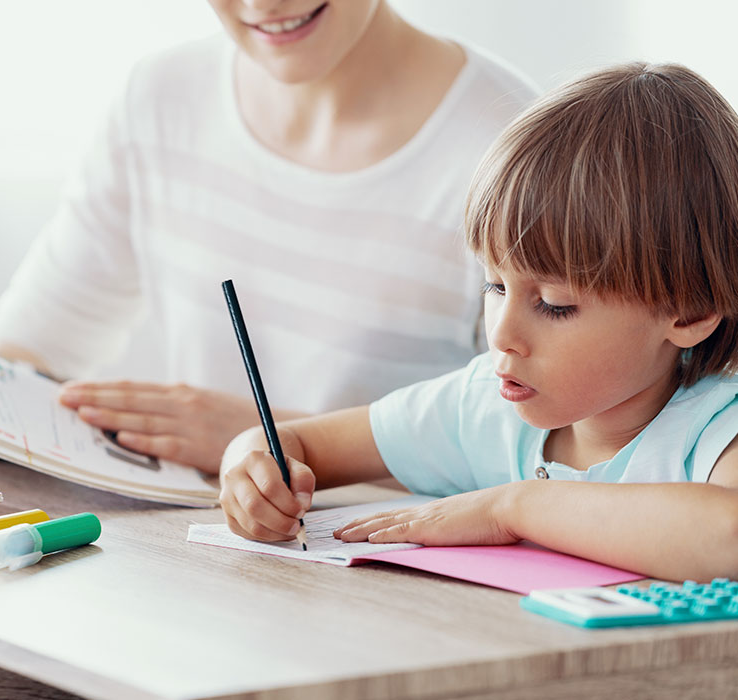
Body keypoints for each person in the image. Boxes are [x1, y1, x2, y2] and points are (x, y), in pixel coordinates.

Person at [218, 62, 738, 582]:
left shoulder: (716, 431)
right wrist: (251, 469)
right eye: (495, 286)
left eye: (554, 304)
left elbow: (728, 538)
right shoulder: (482, 407)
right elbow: (295, 443)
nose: (501, 335)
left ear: (690, 311)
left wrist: (513, 508)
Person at [0, 0, 537, 474]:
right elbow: (30, 342)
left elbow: (542, 460)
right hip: (199, 556)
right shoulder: (159, 100)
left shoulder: (515, 153)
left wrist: (269, 437)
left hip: (393, 581)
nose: (263, 4)